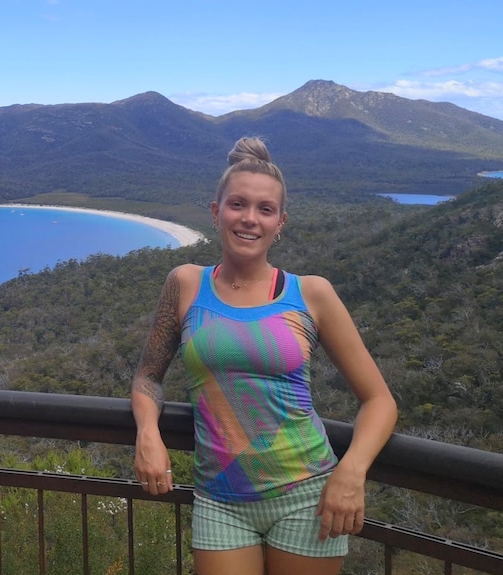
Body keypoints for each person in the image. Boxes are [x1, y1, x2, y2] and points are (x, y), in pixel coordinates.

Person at [131, 136, 398, 575]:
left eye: (265, 209)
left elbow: (380, 401)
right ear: (216, 212)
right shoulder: (185, 284)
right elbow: (148, 376)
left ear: (281, 222)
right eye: (237, 204)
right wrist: (148, 435)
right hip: (219, 499)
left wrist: (351, 472)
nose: (249, 219)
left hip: (307, 494)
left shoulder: (311, 294)